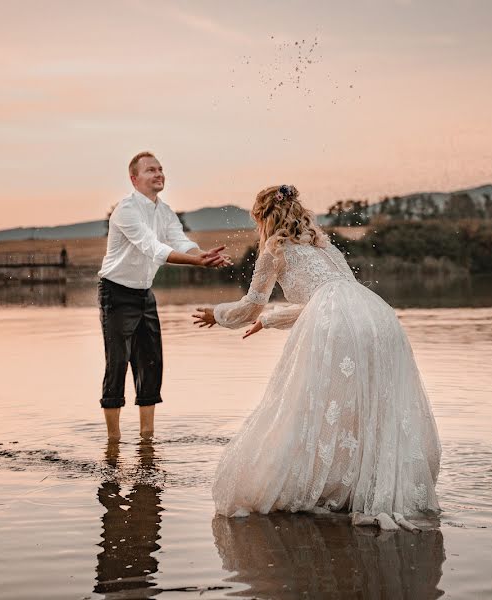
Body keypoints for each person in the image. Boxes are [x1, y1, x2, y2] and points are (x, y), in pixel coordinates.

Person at [193, 185, 440, 530]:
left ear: (263, 218)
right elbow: (331, 299)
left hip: (339, 321)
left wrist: (217, 314)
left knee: (312, 405)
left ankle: (324, 485)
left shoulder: (272, 252)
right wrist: (270, 320)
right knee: (367, 408)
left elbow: (252, 306)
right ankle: (365, 487)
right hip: (378, 316)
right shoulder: (324, 246)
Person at [99, 151, 230, 441]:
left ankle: (147, 440)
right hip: (116, 293)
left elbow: (180, 241)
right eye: (150, 170)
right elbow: (152, 247)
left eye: (160, 169)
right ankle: (113, 443)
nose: (158, 174)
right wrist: (196, 263)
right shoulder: (126, 211)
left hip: (144, 294)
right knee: (117, 364)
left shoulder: (165, 211)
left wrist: (201, 254)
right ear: (134, 179)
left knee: (151, 364)